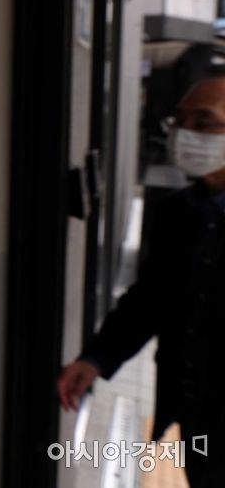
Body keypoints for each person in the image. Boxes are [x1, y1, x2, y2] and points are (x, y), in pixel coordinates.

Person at [57, 74, 225, 486]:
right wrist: (96, 359)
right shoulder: (179, 211)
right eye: (180, 121)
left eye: (204, 123)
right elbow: (151, 299)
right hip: (194, 420)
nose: (186, 133)